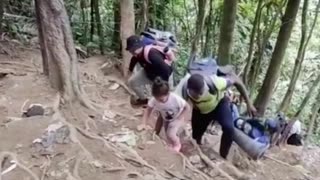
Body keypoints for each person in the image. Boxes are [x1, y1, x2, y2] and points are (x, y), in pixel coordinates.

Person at [175, 72, 256, 159]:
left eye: (201, 92)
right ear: (189, 90)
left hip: (219, 105)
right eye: (196, 94)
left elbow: (236, 80)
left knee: (229, 128)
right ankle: (198, 148)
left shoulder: (215, 83)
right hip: (201, 111)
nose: (199, 95)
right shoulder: (183, 89)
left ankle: (223, 156)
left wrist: (249, 103)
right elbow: (171, 105)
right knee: (195, 136)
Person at [140, 77, 190, 152]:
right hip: (166, 118)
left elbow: (187, 107)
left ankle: (177, 144)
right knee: (167, 133)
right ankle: (172, 143)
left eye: (161, 100)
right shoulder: (154, 100)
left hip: (177, 117)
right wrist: (144, 123)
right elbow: (148, 110)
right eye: (157, 99)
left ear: (168, 94)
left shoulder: (175, 98)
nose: (159, 102)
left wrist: (180, 117)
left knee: (171, 134)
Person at [126, 35, 173, 106]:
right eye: (130, 50)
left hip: (163, 77)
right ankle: (144, 100)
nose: (131, 52)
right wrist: (129, 72)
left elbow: (166, 70)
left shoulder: (151, 54)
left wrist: (162, 85)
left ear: (138, 46)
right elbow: (133, 60)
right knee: (132, 82)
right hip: (149, 72)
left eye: (132, 50)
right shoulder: (137, 54)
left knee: (164, 99)